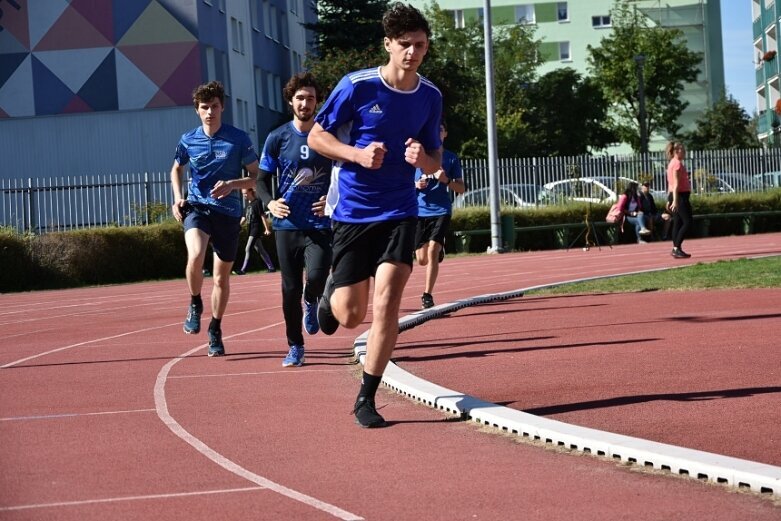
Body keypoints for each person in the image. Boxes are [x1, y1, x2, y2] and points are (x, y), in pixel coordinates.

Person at [307, 2, 443, 428]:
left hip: (401, 209)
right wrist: (356, 154)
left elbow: (434, 156)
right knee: (348, 316)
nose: (413, 53)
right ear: (388, 45)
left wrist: (423, 160)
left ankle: (366, 397)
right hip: (352, 210)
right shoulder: (357, 86)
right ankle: (331, 293)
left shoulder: (430, 96)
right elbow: (316, 135)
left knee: (387, 303)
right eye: (404, 45)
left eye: (420, 45)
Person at [170, 80, 260, 357]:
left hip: (229, 214)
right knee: (195, 256)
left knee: (221, 278)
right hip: (198, 207)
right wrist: (177, 197)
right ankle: (195, 302)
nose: (210, 112)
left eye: (215, 107)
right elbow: (176, 169)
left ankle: (215, 329)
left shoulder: (238, 139)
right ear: (197, 111)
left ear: (223, 107)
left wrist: (234, 184)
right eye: (205, 107)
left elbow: (257, 177)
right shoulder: (188, 139)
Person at [257, 72, 333, 368]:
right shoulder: (277, 137)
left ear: (317, 102)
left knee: (316, 276)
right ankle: (295, 346)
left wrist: (332, 198)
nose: (305, 103)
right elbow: (261, 180)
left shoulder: (328, 135)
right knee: (289, 289)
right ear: (291, 102)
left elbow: (344, 173)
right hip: (286, 224)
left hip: (319, 222)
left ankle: (312, 299)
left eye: (310, 98)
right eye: (300, 98)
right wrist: (269, 203)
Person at [414, 119, 465, 309]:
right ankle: (438, 250)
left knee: (433, 250)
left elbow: (461, 188)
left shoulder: (451, 158)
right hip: (419, 211)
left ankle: (427, 295)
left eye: (440, 130)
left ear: (445, 134)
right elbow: (401, 185)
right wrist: (415, 185)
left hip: (442, 210)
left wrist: (445, 180)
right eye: (434, 130)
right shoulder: (419, 158)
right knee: (421, 259)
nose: (437, 133)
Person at [234, 187, 275, 275]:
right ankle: (271, 267)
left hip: (256, 229)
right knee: (260, 249)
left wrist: (267, 229)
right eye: (243, 194)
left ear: (250, 192)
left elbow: (263, 216)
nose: (244, 195)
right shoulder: (247, 205)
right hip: (250, 229)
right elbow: (244, 218)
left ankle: (243, 269)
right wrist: (237, 227)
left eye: (245, 193)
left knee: (248, 248)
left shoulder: (257, 203)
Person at [666, 141, 693, 258]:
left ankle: (677, 248)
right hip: (680, 196)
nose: (685, 152)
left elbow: (670, 184)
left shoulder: (671, 163)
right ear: (677, 151)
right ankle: (676, 247)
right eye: (683, 150)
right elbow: (675, 184)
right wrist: (675, 201)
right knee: (688, 222)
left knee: (677, 222)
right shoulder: (677, 164)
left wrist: (669, 199)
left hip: (675, 195)